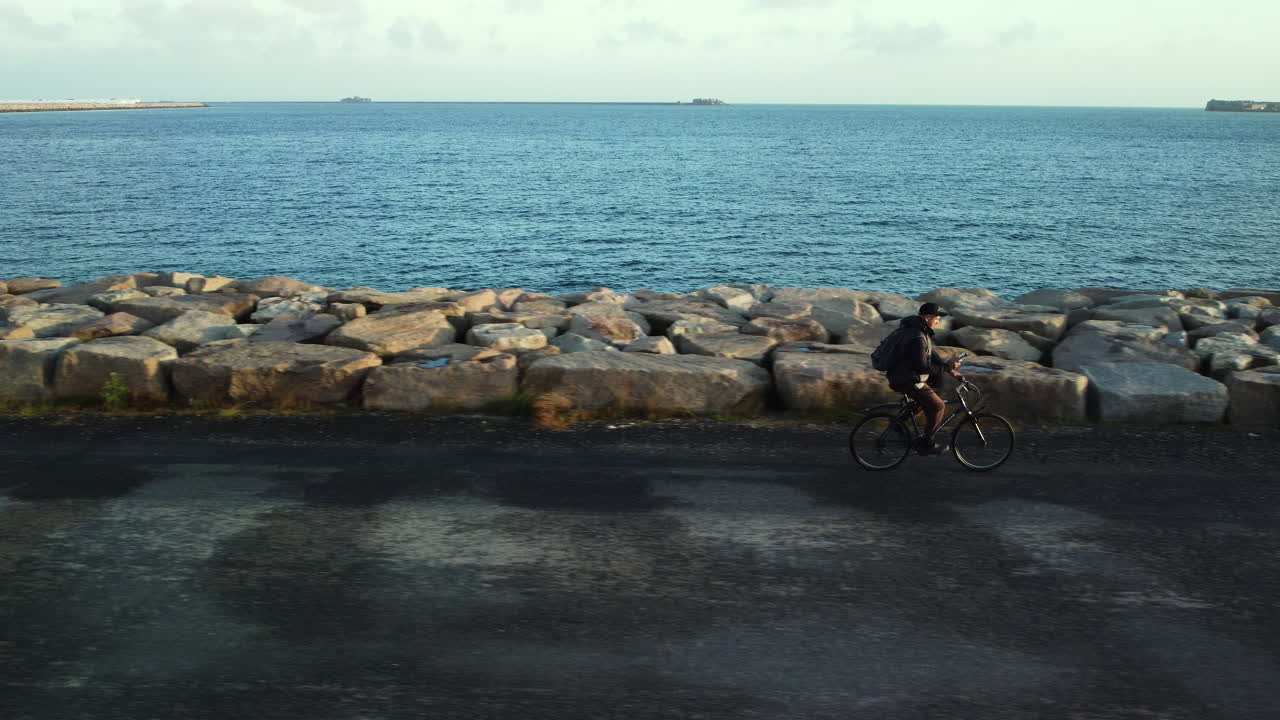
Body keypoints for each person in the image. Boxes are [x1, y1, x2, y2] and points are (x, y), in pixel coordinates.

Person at [885, 302, 964, 455]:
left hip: (902, 375)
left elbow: (931, 354)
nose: (939, 321)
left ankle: (898, 425)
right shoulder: (917, 336)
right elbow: (922, 366)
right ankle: (927, 444)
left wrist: (949, 369)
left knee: (930, 396)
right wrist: (946, 367)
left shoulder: (918, 330)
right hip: (907, 379)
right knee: (938, 406)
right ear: (927, 317)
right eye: (937, 317)